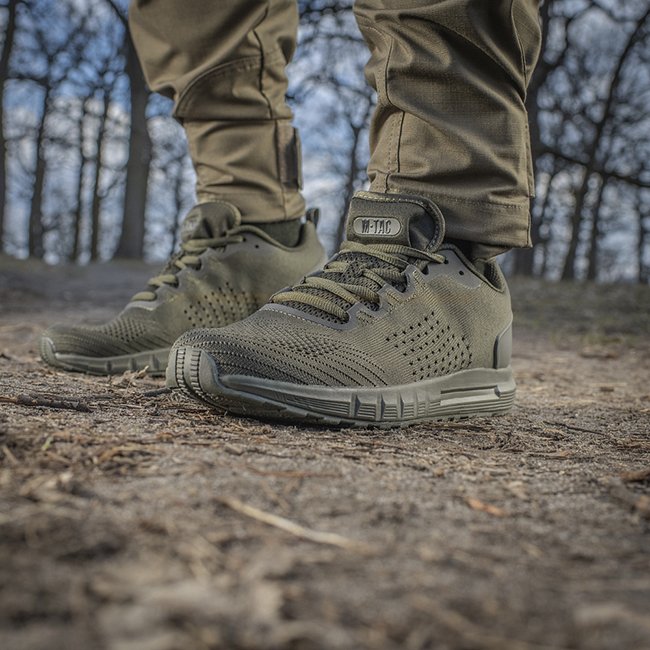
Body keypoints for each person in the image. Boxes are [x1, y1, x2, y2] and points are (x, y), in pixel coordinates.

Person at [41, 0, 541, 427]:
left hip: (451, 234)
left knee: (437, 13)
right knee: (204, 18)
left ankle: (451, 243)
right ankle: (254, 236)